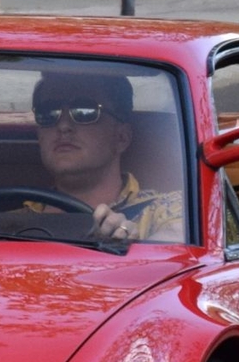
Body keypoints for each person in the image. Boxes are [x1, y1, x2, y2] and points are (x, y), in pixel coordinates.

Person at [23, 71, 186, 244]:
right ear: (39, 136)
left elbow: (181, 254)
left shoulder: (168, 209)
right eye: (48, 113)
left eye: (85, 111)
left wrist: (131, 245)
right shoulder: (8, 220)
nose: (63, 126)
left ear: (122, 137)